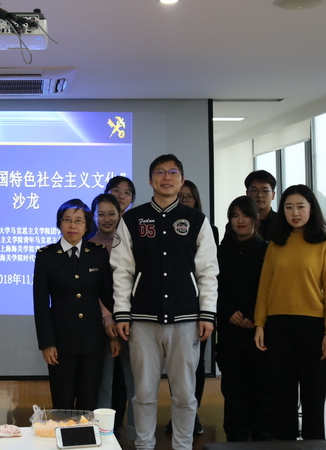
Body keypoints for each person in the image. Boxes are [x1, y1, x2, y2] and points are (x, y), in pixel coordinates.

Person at [111, 154, 218, 450]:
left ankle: (183, 446)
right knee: (144, 392)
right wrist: (122, 313)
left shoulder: (197, 221)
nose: (166, 177)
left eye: (172, 172)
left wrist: (207, 313)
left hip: (186, 320)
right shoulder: (132, 219)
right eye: (160, 172)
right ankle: (144, 445)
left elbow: (208, 271)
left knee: (184, 394)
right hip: (142, 320)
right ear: (150, 180)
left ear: (181, 180)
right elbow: (122, 270)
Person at [254, 184, 326, 440]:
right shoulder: (276, 244)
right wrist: (259, 324)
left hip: (313, 328)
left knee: (314, 398)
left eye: (301, 206)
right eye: (289, 207)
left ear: (311, 209)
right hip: (278, 327)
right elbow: (264, 288)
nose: (295, 212)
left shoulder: (325, 245)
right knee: (281, 399)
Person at [33, 199, 114, 410]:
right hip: (61, 342)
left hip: (92, 341)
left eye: (79, 221)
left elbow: (108, 296)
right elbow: (40, 304)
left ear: (87, 226)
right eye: (67, 220)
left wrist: (116, 330)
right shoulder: (46, 256)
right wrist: (47, 343)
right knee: (62, 404)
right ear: (59, 223)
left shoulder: (97, 253)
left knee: (89, 403)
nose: (72, 225)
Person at [216, 196, 270, 442]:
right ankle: (235, 437)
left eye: (246, 215)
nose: (240, 220)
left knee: (261, 386)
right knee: (233, 386)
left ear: (255, 218)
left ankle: (261, 436)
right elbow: (212, 287)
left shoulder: (267, 250)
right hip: (230, 328)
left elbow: (270, 289)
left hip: (259, 329)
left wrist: (253, 316)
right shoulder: (220, 251)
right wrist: (228, 311)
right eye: (235, 216)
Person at [166, 178, 216, 436]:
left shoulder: (206, 227)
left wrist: (207, 311)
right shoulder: (163, 225)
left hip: (196, 311)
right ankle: (176, 415)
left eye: (189, 196)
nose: (185, 200)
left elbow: (209, 271)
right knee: (174, 369)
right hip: (168, 309)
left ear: (196, 200)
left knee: (194, 367)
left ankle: (191, 414)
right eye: (181, 196)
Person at [90, 194, 135, 440]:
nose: (106, 219)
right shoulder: (89, 246)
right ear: (94, 216)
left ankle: (137, 435)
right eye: (101, 214)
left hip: (133, 323)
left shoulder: (131, 242)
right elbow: (92, 290)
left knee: (136, 383)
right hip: (102, 325)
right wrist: (108, 318)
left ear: (120, 214)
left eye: (111, 213)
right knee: (104, 384)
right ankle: (103, 434)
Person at [244, 170, 277, 239]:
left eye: (265, 191)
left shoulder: (281, 222)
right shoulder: (239, 222)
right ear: (247, 194)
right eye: (254, 190)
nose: (259, 195)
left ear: (273, 195)